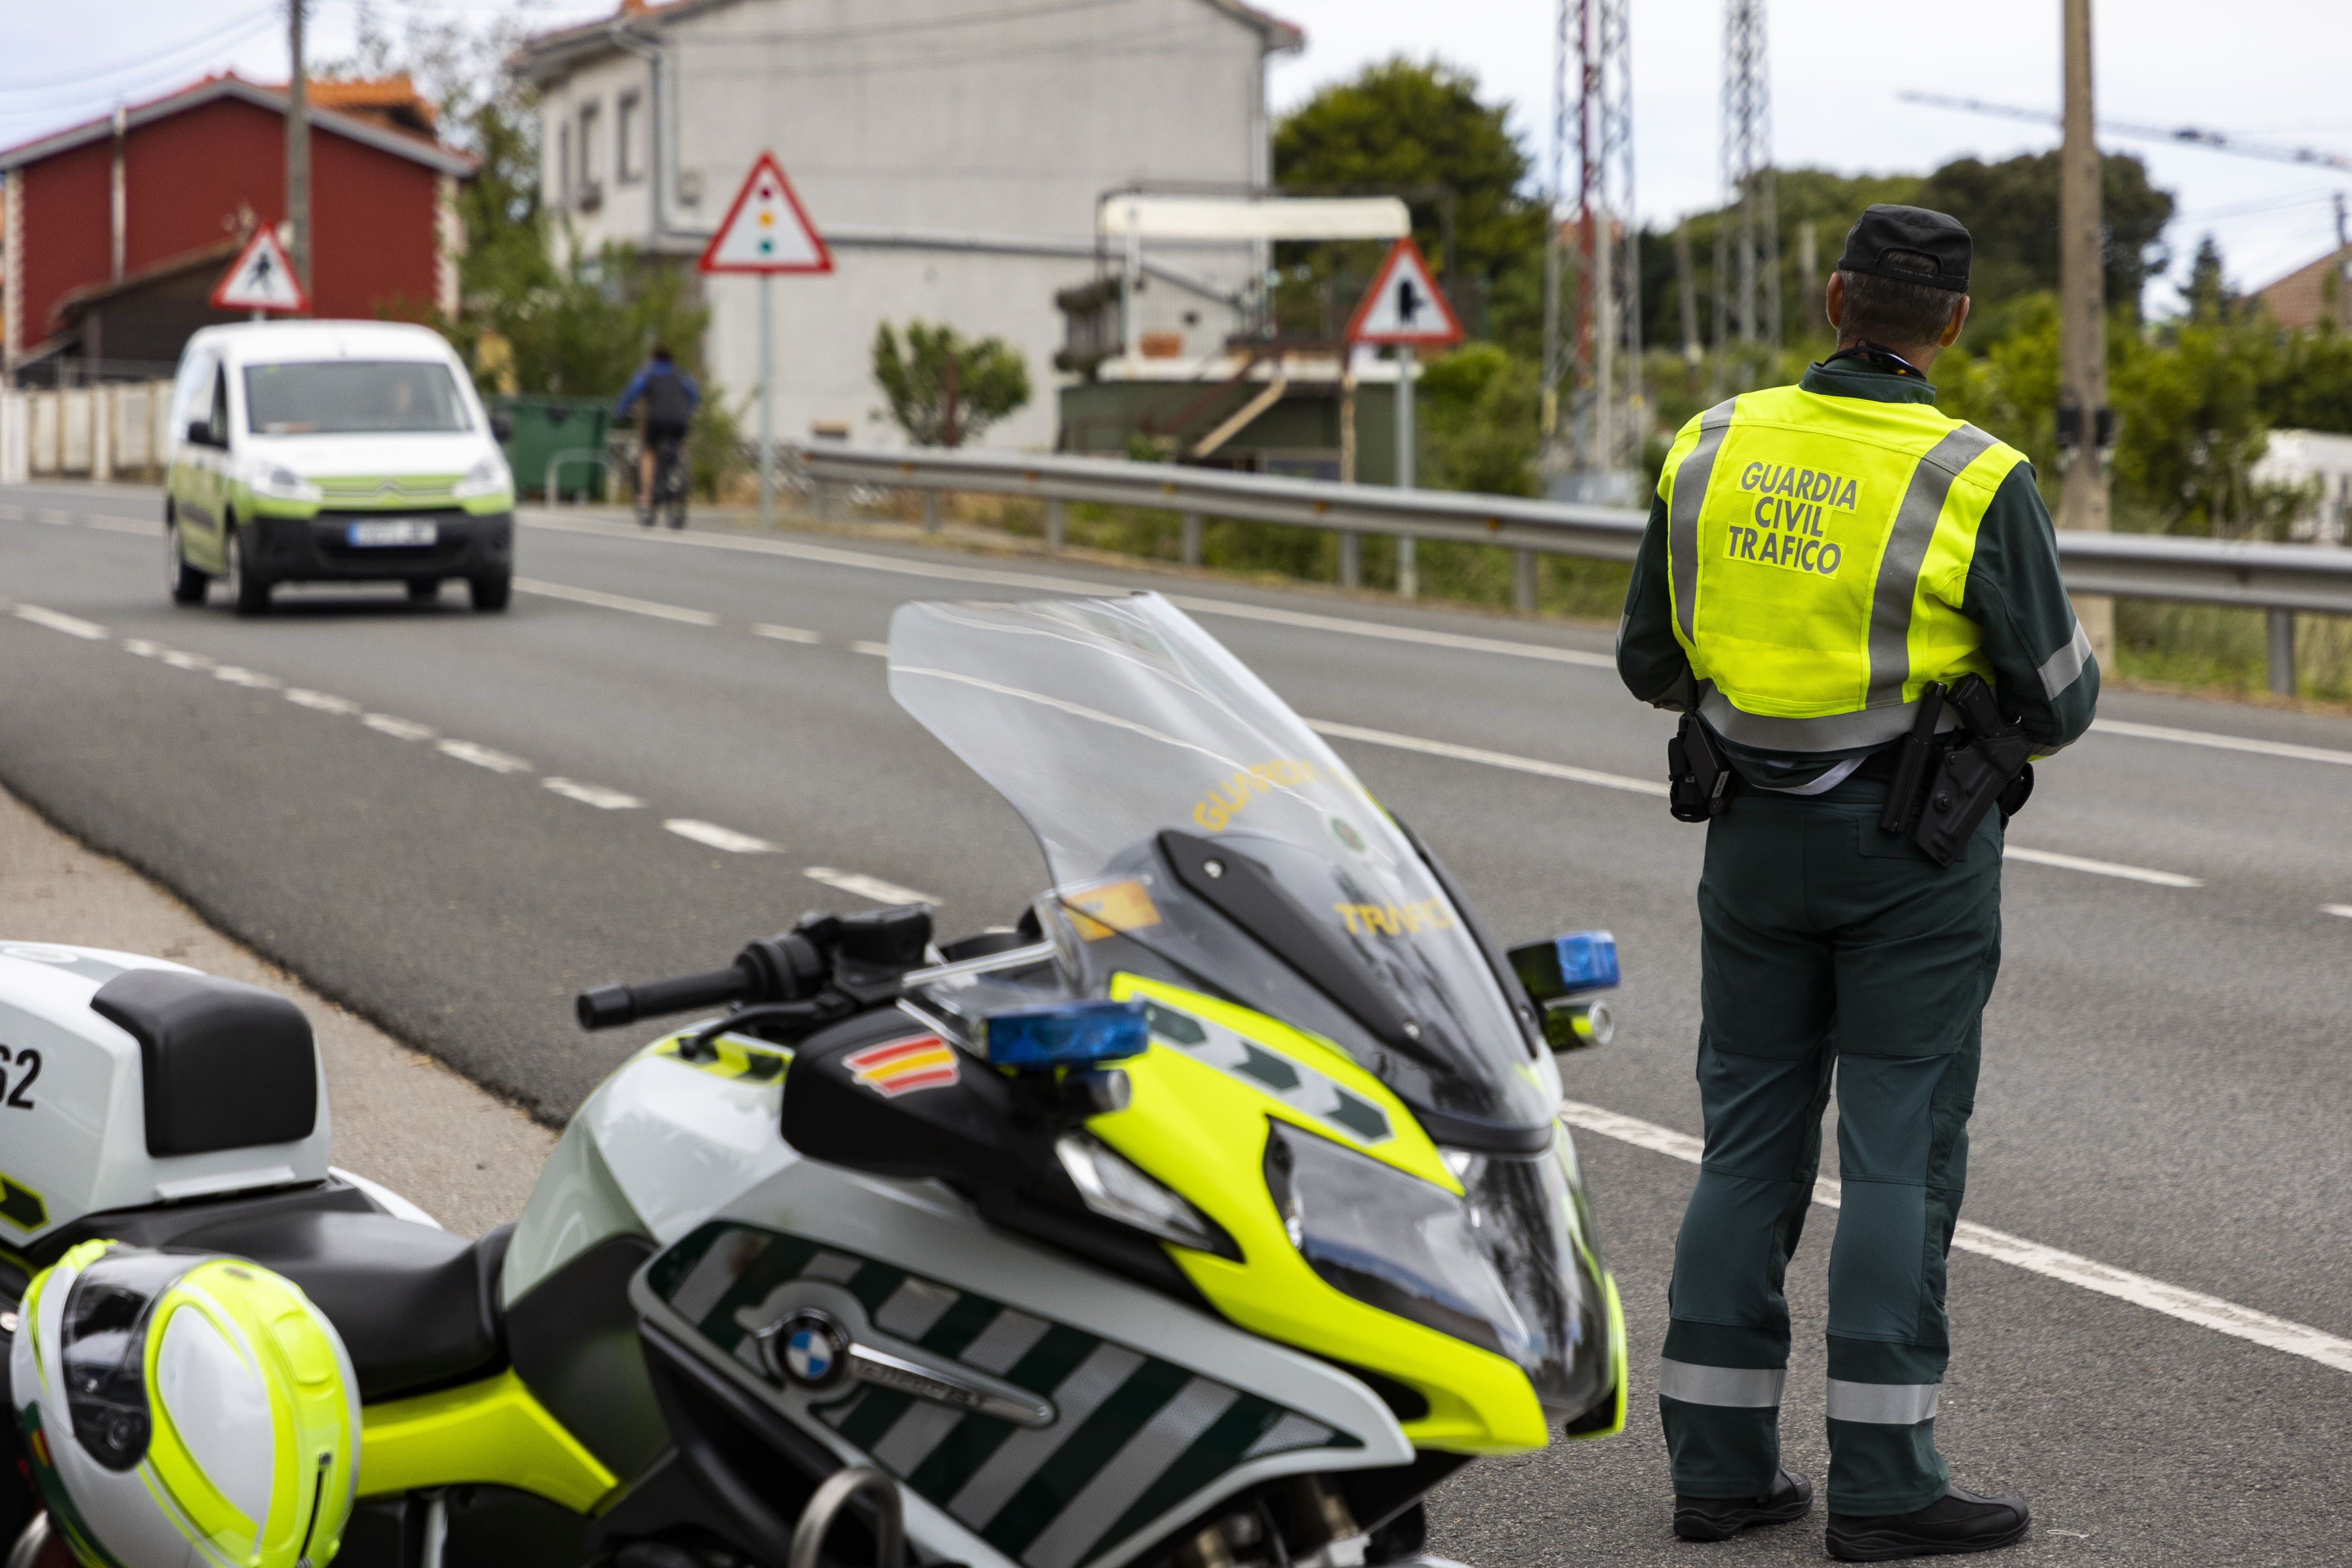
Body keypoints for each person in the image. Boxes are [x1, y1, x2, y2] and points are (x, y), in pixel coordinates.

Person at [1616, 205, 2097, 1561]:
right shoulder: (1975, 476)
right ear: (1949, 324)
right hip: (1916, 857)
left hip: (1751, 842)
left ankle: (1718, 1474)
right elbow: (2059, 702)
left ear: (1835, 302)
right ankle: (1886, 1489)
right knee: (1898, 1148)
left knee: (1750, 1138)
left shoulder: (1713, 442)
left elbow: (1650, 661)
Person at [615, 346, 701, 506]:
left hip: (656, 420)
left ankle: (647, 494)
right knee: (680, 446)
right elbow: (694, 395)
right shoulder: (681, 374)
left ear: (654, 359)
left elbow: (631, 393)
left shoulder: (648, 374)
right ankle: (683, 478)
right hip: (679, 421)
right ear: (671, 360)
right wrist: (690, 411)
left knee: (649, 452)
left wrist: (621, 411)